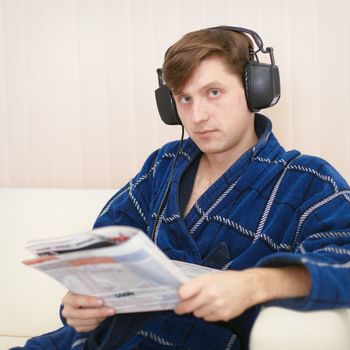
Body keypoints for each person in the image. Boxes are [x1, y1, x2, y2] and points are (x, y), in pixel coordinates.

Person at [15, 26, 350, 350]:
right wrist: (79, 306)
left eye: (213, 92)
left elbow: (344, 264)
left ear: (255, 90)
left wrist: (253, 285)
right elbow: (104, 255)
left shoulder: (308, 180)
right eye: (184, 99)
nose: (198, 116)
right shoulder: (163, 166)